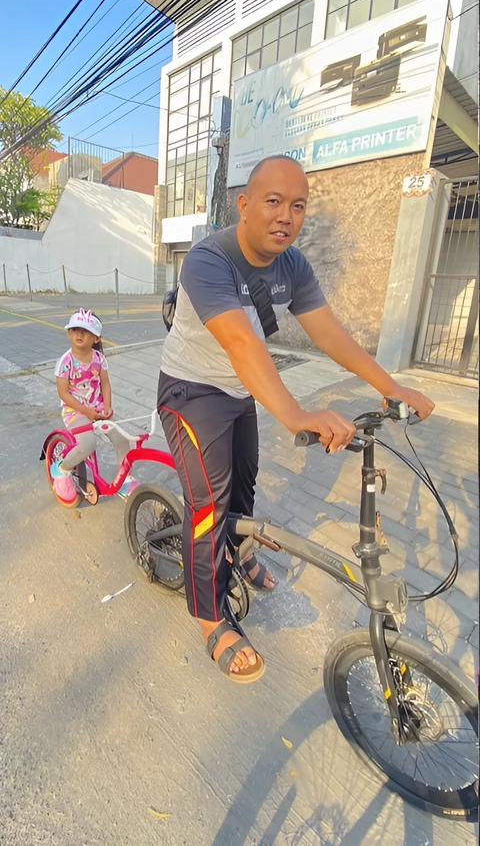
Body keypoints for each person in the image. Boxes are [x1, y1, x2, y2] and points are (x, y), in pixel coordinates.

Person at [157, 155, 434, 684]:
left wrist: (390, 386)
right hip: (191, 390)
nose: (287, 215)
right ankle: (210, 615)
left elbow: (329, 333)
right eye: (273, 201)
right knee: (208, 504)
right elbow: (240, 341)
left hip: (239, 390)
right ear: (244, 206)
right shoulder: (207, 259)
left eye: (299, 205)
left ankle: (235, 556)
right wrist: (296, 413)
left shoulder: (293, 266)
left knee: (245, 484)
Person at [50, 308, 139, 502]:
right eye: (75, 329)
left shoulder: (99, 360)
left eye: (86, 330)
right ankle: (62, 469)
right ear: (69, 333)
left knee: (122, 436)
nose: (79, 334)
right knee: (88, 443)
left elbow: (105, 383)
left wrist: (107, 406)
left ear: (96, 338)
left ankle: (125, 479)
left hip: (97, 409)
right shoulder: (65, 362)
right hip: (75, 413)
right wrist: (86, 412)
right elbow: (63, 392)